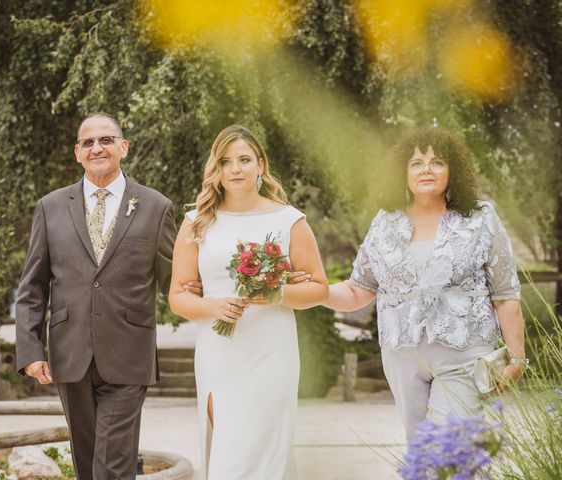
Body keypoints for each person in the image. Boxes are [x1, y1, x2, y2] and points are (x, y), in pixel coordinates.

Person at [324, 127, 527, 440]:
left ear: (452, 170)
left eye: (437, 162)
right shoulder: (384, 222)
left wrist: (517, 357)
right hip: (401, 357)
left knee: (454, 447)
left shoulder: (480, 218)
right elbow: (358, 289)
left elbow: (505, 293)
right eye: (416, 162)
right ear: (403, 173)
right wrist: (315, 290)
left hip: (465, 355)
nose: (426, 169)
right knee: (420, 451)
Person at [15, 112, 176, 479]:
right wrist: (30, 349)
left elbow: (176, 281)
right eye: (88, 142)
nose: (97, 147)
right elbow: (33, 286)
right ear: (77, 153)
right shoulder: (51, 207)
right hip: (69, 354)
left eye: (105, 140)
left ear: (123, 147)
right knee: (87, 463)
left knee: (113, 464)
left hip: (129, 353)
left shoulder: (155, 207)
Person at [169, 125, 328, 479]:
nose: (235, 169)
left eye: (243, 160)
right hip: (219, 352)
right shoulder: (197, 222)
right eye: (225, 161)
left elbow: (318, 288)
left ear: (261, 164)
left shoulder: (289, 220)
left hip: (272, 352)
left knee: (266, 454)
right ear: (217, 168)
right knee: (229, 452)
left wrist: (276, 292)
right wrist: (214, 306)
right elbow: (178, 296)